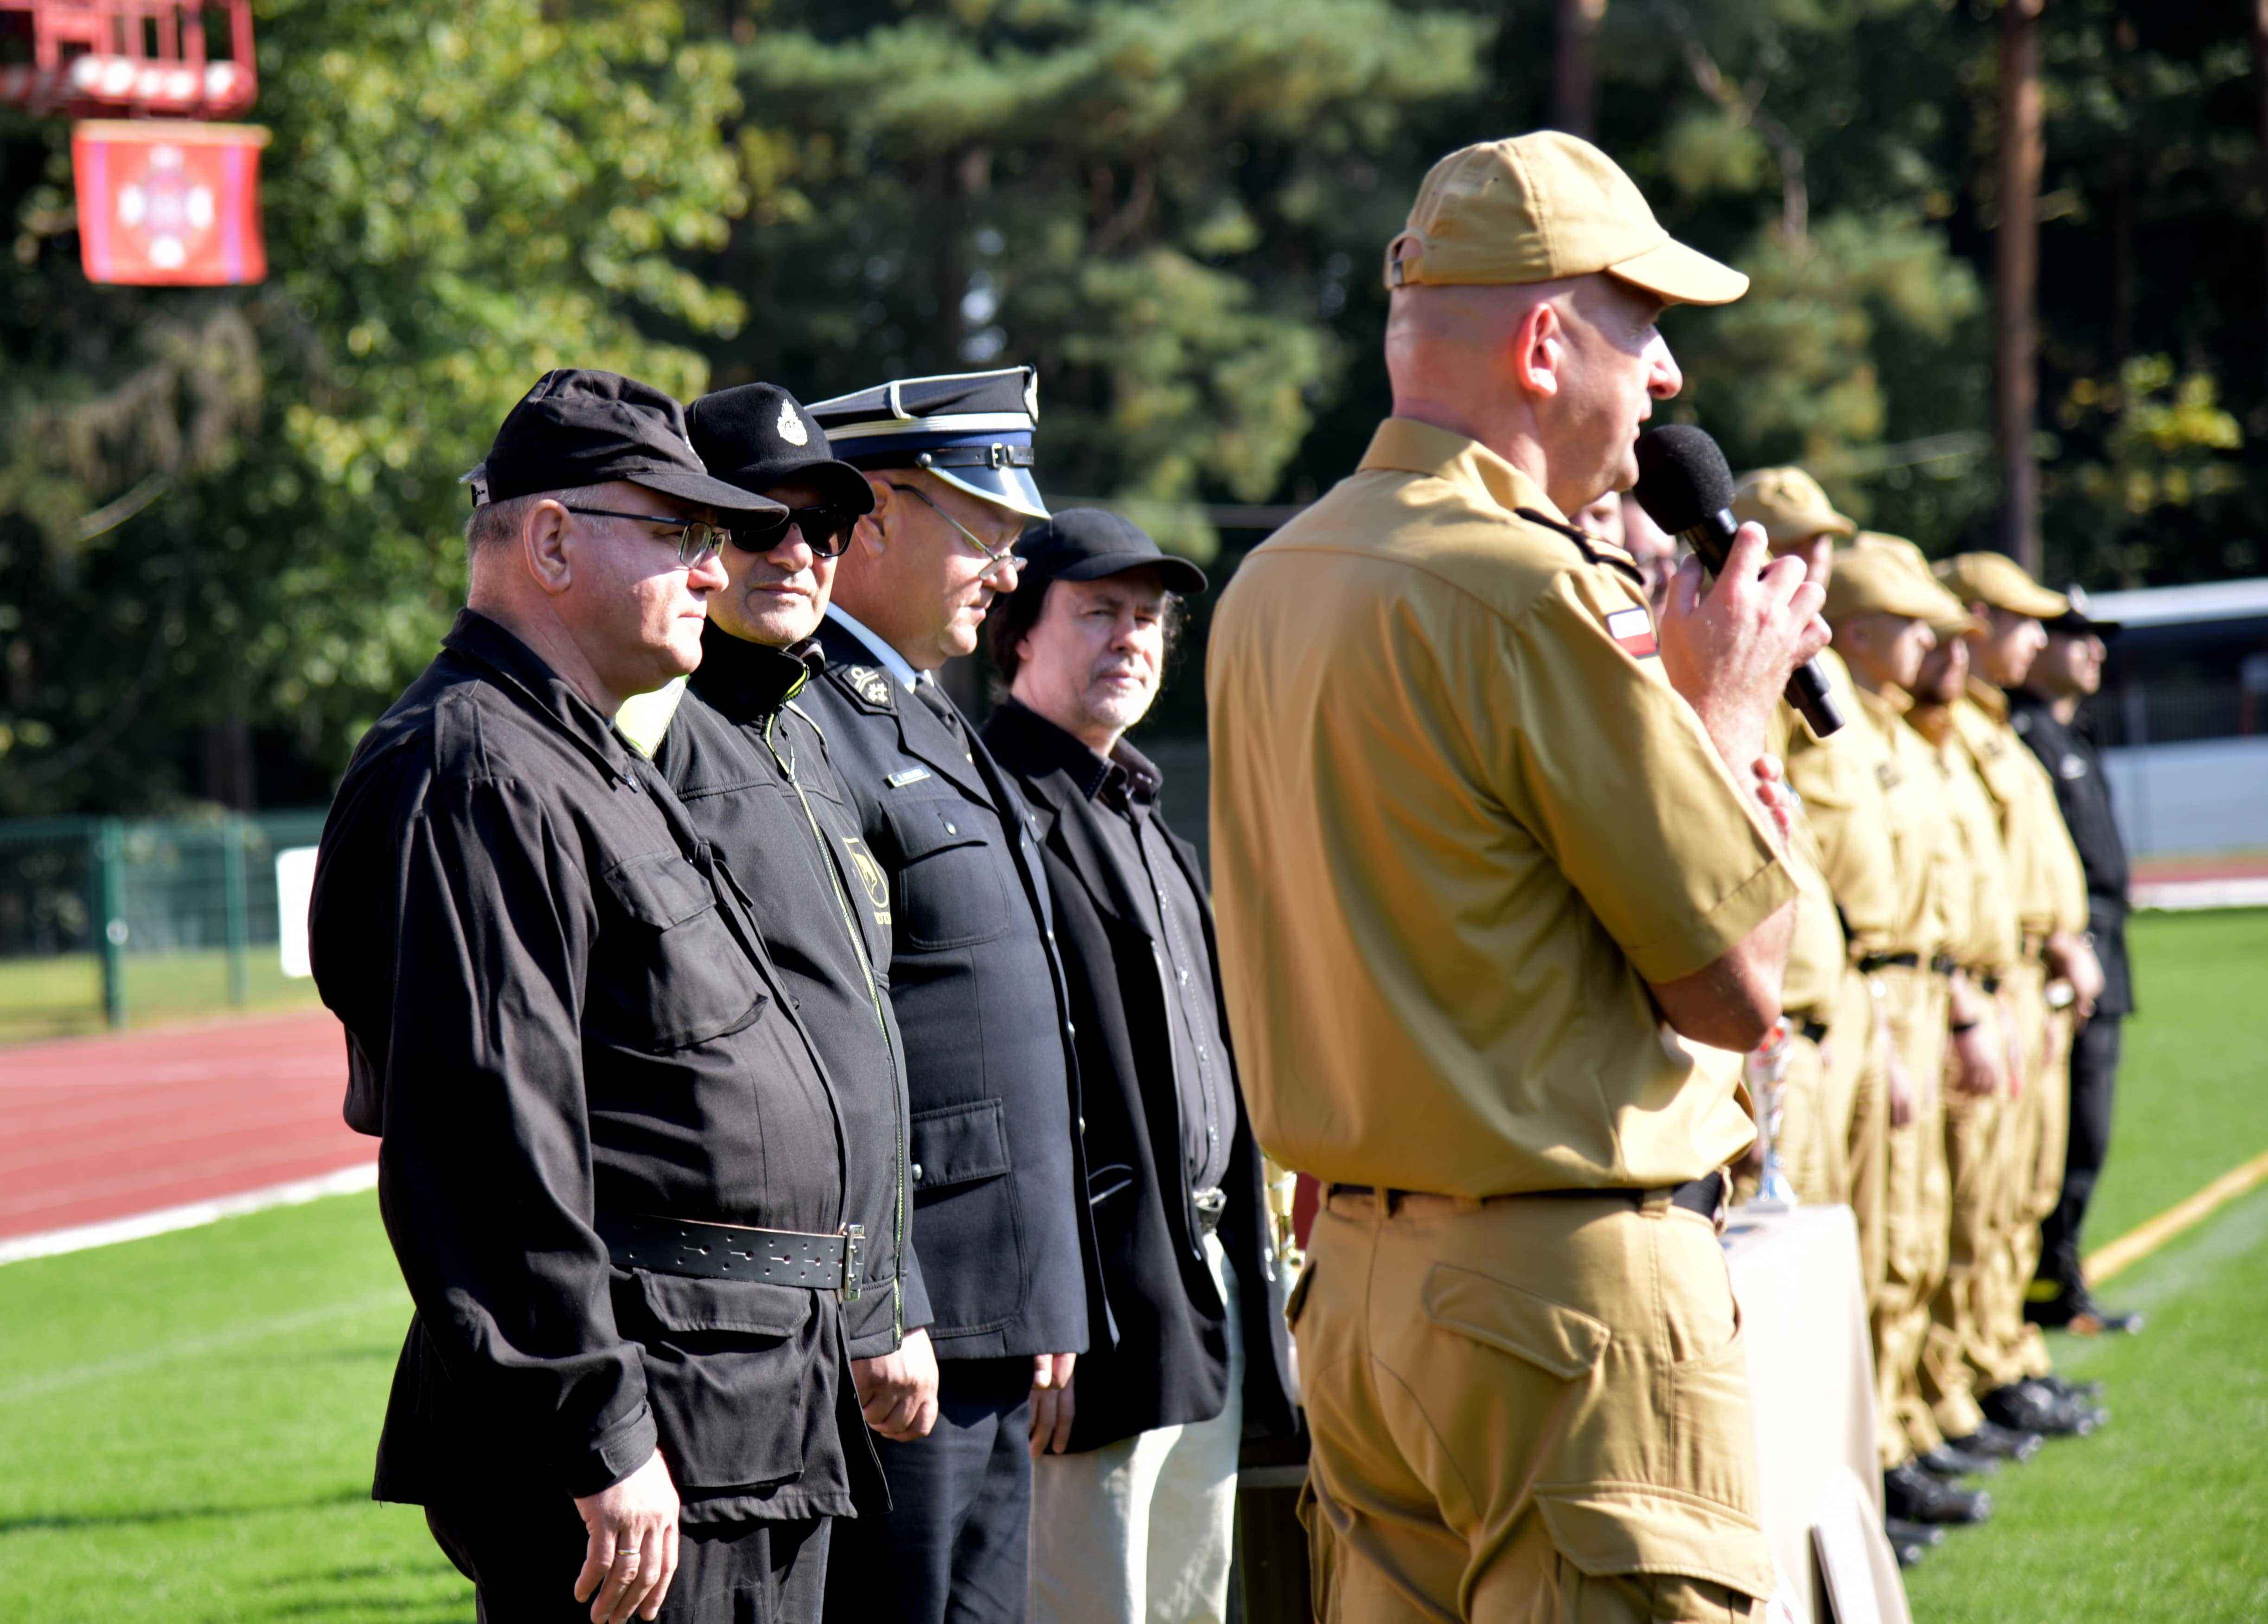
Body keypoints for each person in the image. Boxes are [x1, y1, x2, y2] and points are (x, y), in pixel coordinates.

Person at [1208, 130, 1827, 1621]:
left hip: (1357, 1291)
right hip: (1558, 1313)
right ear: (1546, 341)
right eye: (1646, 328)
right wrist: (1725, 718)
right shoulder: (1526, 588)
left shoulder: (1273, 580)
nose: (1667, 379)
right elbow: (1741, 984)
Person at [310, 369, 877, 1624]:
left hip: (738, 1418)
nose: (713, 569)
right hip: (651, 1440)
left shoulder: (577, 752)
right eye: (676, 532)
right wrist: (601, 1429)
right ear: (551, 539)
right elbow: (486, 1140)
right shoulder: (475, 766)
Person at [797, 367, 1103, 1624]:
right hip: (908, 1328)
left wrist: (1044, 1285)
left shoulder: (926, 711)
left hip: (988, 1312)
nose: (1008, 564)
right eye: (983, 526)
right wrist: (901, 1300)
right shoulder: (814, 720)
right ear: (870, 513)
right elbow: (844, 1044)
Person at [977, 510, 1299, 1624]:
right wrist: (1040, 1301)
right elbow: (989, 1086)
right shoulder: (989, 807)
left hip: (1194, 1284)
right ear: (1018, 633)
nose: (1132, 638)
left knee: (1185, 1606)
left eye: (1150, 618)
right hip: (1086, 1321)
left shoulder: (1145, 815)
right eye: (1097, 612)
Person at [639, 382, 940, 1452]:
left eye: (823, 526)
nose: (799, 551)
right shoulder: (651, 733)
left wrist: (888, 1292)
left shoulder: (804, 731)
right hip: (717, 1334)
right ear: (695, 537)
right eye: (760, 520)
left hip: (837, 1315)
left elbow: (851, 1044)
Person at [1814, 540, 1993, 1532]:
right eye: (1913, 622)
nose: (1931, 642)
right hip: (1859, 1002)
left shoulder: (1891, 732)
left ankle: (1899, 1437)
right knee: (1863, 1251)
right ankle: (1864, 1468)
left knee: (1914, 1231)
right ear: (1863, 630)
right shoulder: (1824, 721)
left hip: (1913, 993)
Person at [1935, 553, 2109, 1439]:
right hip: (1977, 983)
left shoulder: (1995, 726)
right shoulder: (1951, 734)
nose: (2038, 638)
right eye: (2020, 620)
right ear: (1972, 618)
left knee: (2016, 1195)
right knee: (1960, 1208)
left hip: (2026, 979)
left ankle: (1998, 1356)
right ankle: (1949, 1388)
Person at [1896, 560, 2028, 1474]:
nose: (1948, 652)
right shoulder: (1850, 737)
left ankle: (1954, 1384)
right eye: (1927, 632)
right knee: (1902, 1239)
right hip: (1896, 999)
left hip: (1968, 985)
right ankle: (1900, 1425)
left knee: (1979, 1207)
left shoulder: (1944, 739)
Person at [2011, 589, 2141, 1334]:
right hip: (2069, 957)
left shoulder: (2071, 735)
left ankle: (2060, 1278)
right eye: (2077, 636)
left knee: (2089, 1130)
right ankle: (2047, 1288)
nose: (2094, 650)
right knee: (2066, 1133)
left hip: (2106, 953)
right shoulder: (2026, 733)